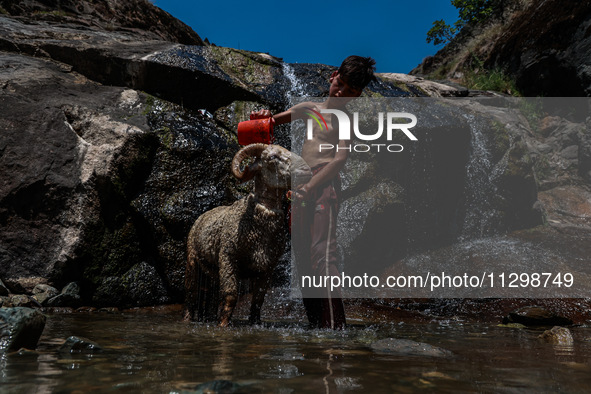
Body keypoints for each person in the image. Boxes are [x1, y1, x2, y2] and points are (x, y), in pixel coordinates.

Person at [252, 55, 376, 329]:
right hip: (300, 185)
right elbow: (270, 124)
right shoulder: (310, 108)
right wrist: (262, 118)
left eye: (351, 91)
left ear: (358, 95)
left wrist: (311, 186)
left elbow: (340, 159)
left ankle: (336, 328)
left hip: (322, 185)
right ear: (333, 76)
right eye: (340, 84)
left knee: (323, 254)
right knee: (303, 258)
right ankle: (315, 325)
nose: (342, 93)